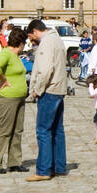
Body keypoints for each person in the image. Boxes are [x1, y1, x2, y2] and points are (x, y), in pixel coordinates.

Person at [26, 19, 68, 182]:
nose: (31, 41)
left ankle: (43, 170)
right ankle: (59, 166)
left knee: (43, 130)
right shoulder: (57, 39)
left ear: (36, 32)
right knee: (58, 129)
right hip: (59, 88)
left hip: (49, 90)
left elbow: (45, 70)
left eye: (31, 37)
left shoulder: (45, 43)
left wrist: (37, 90)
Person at [0, 27, 28, 173]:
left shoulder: (16, 56)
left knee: (17, 130)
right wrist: (3, 79)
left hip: (19, 98)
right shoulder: (6, 53)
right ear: (21, 43)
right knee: (4, 131)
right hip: (7, 98)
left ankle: (14, 161)